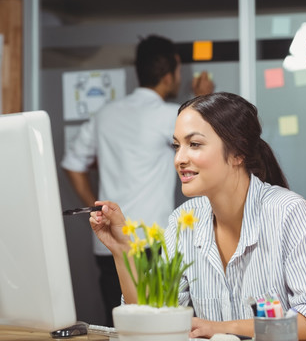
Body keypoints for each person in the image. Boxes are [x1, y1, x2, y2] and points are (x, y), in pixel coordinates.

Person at [89, 92, 306, 340]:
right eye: (176, 146)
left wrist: (222, 328)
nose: (179, 159)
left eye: (194, 144)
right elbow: (155, 315)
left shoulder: (289, 213)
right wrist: (122, 249)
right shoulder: (185, 221)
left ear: (238, 152)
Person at [61, 34, 214, 326]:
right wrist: (203, 100)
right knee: (159, 326)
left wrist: (96, 209)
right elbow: (210, 135)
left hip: (107, 243)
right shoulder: (170, 115)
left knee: (118, 325)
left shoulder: (104, 115)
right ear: (171, 73)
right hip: (151, 243)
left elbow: (72, 164)